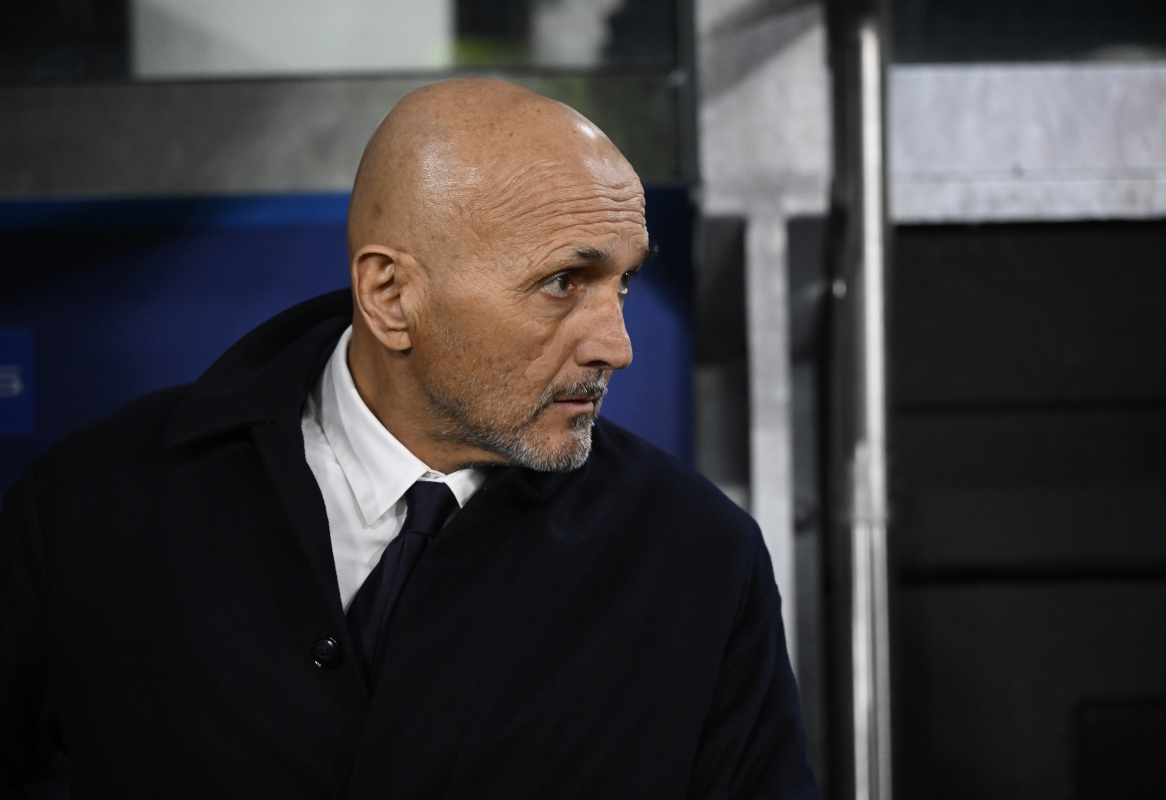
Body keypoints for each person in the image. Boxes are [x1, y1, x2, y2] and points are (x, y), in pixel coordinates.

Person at [0, 78, 819, 799]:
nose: (618, 344)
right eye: (564, 282)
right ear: (390, 295)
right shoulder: (94, 507)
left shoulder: (697, 560)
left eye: (624, 282)